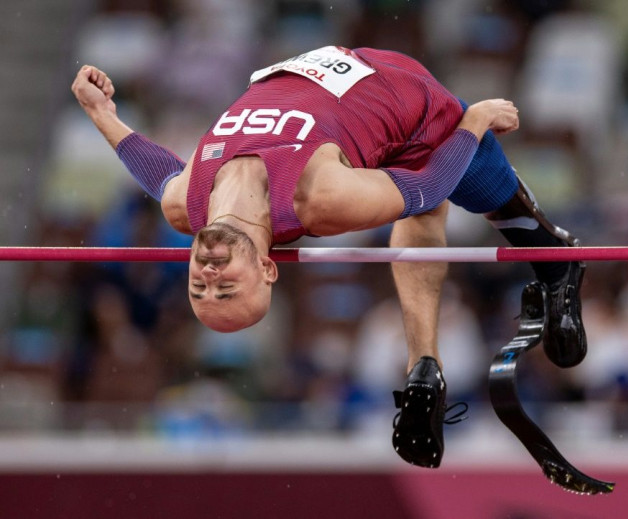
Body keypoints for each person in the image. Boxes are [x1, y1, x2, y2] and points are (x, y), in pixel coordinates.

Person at [71, 45, 586, 468]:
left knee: (442, 207)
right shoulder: (318, 200)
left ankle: (551, 264)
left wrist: (103, 115)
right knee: (448, 194)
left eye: (200, 287)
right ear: (268, 267)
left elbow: (156, 169)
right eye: (226, 286)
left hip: (315, 67)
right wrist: (472, 121)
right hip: (406, 97)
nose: (209, 275)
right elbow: (429, 187)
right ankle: (431, 360)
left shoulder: (184, 204)